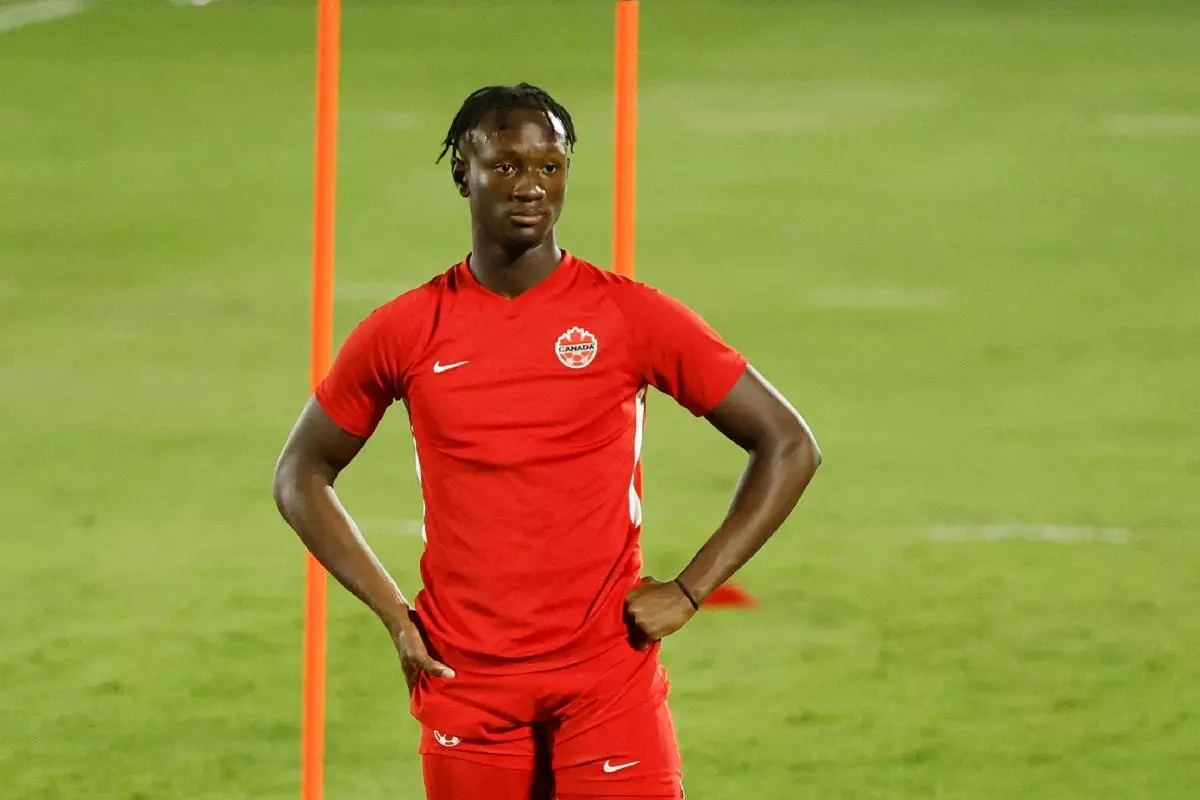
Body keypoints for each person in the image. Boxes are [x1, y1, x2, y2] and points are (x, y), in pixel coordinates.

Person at [273, 83, 822, 800]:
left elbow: (788, 443)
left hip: (607, 679)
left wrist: (691, 589)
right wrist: (394, 614)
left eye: (549, 166)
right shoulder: (406, 330)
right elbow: (301, 472)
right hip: (467, 681)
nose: (530, 186)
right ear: (462, 173)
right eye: (505, 166)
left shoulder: (626, 314)